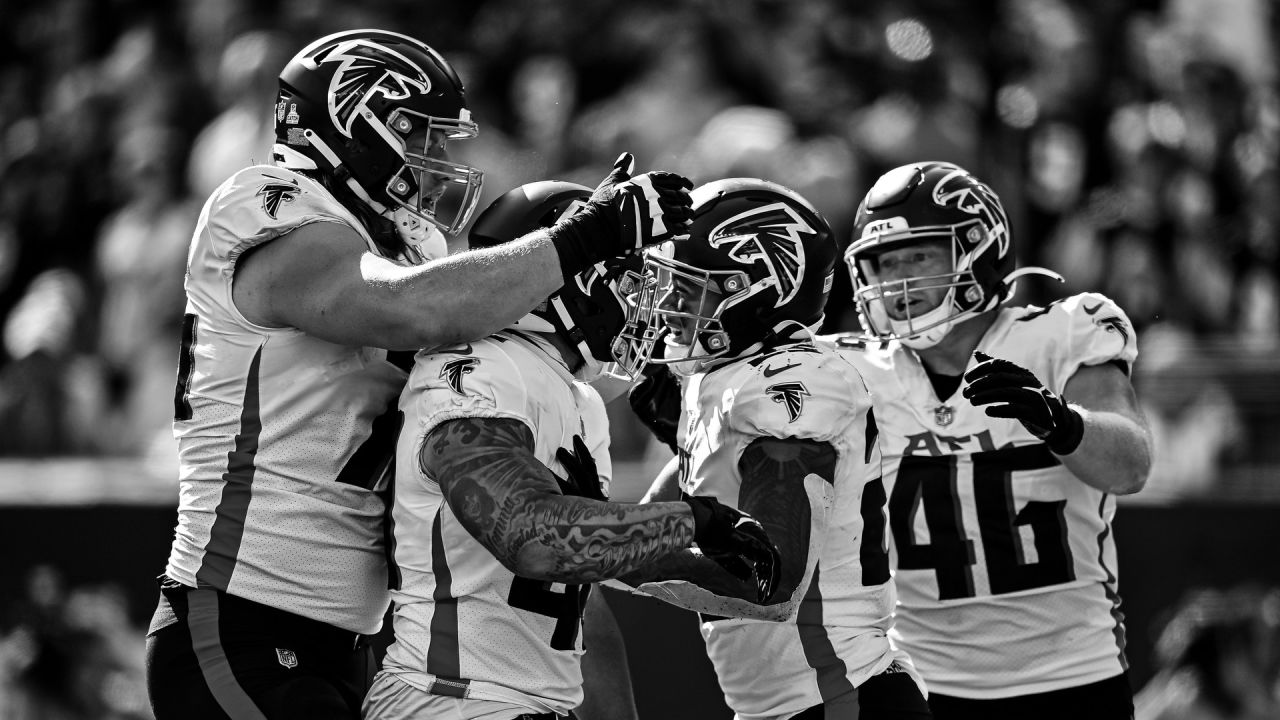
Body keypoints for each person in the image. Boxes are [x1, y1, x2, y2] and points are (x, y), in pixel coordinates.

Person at [144, 28, 695, 720]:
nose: (436, 160)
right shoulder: (269, 203)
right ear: (355, 121)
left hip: (361, 642)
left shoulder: (415, 247)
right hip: (242, 619)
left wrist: (590, 273)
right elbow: (409, 310)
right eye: (421, 136)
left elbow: (480, 322)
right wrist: (578, 238)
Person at [363, 181, 784, 720]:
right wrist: (694, 521)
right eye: (630, 279)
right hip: (452, 697)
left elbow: (578, 571)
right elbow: (532, 537)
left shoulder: (567, 389)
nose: (644, 302)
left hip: (514, 701)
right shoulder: (476, 370)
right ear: (575, 280)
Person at [828, 161, 1154, 719]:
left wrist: (1061, 422)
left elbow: (1131, 466)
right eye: (885, 263)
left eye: (920, 256)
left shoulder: (1060, 335)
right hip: (919, 682)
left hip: (1072, 676)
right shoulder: (847, 370)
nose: (899, 281)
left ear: (976, 250)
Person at [631, 178, 932, 719]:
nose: (671, 307)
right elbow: (662, 519)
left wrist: (592, 552)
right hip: (792, 703)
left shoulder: (790, 381)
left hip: (839, 697)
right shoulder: (722, 378)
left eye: (691, 288)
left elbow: (768, 578)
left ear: (762, 292)